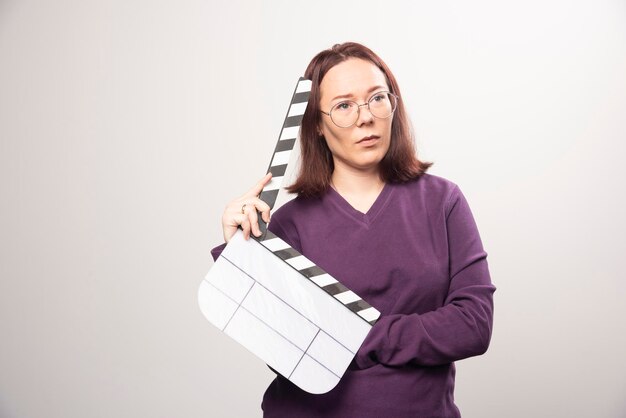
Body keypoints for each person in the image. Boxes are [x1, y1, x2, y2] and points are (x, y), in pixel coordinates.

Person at [212, 42, 496, 418]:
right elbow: (287, 353)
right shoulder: (285, 225)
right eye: (344, 106)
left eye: (377, 98)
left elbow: (472, 325)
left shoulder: (442, 201)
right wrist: (242, 251)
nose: (365, 117)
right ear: (316, 124)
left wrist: (356, 335)